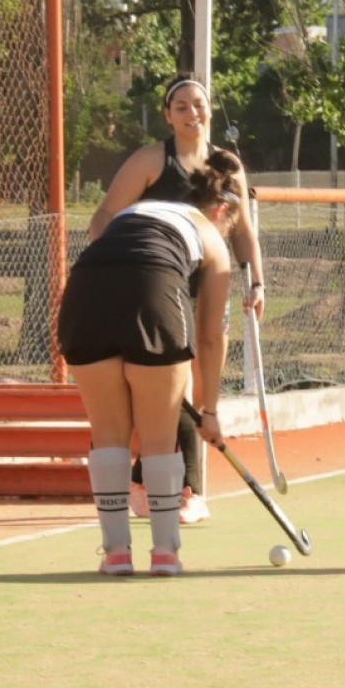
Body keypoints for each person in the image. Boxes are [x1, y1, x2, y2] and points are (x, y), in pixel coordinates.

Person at [59, 150, 245, 576]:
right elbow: (211, 336)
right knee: (159, 438)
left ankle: (115, 555)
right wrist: (211, 411)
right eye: (230, 227)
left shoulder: (137, 209)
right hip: (153, 286)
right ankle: (165, 554)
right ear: (219, 209)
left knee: (108, 435)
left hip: (85, 289)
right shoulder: (210, 235)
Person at [89, 77, 266, 525]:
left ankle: (147, 480)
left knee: (197, 382)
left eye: (200, 105)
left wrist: (257, 281)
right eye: (182, 107)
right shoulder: (152, 160)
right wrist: (115, 266)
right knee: (177, 385)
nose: (193, 114)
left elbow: (243, 230)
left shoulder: (228, 166)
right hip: (153, 286)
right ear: (168, 115)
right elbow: (104, 216)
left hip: (207, 279)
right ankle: (186, 490)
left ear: (210, 109)